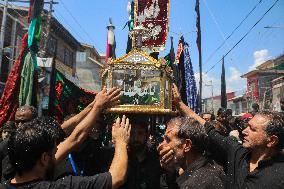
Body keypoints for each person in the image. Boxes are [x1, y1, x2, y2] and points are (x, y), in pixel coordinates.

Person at [171, 83, 284, 189]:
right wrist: (180, 103)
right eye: (247, 126)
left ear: (272, 140)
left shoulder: (280, 175)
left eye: (252, 129)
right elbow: (208, 130)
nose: (244, 131)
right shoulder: (237, 153)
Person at [2, 114, 131, 189]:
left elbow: (72, 139)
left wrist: (95, 106)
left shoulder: (7, 174)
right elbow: (116, 177)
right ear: (44, 158)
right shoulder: (61, 187)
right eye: (54, 152)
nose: (58, 152)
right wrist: (121, 141)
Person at [158, 116, 225, 189]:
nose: (162, 144)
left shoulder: (196, 184)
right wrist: (170, 173)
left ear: (187, 145)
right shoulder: (210, 168)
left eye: (168, 140)